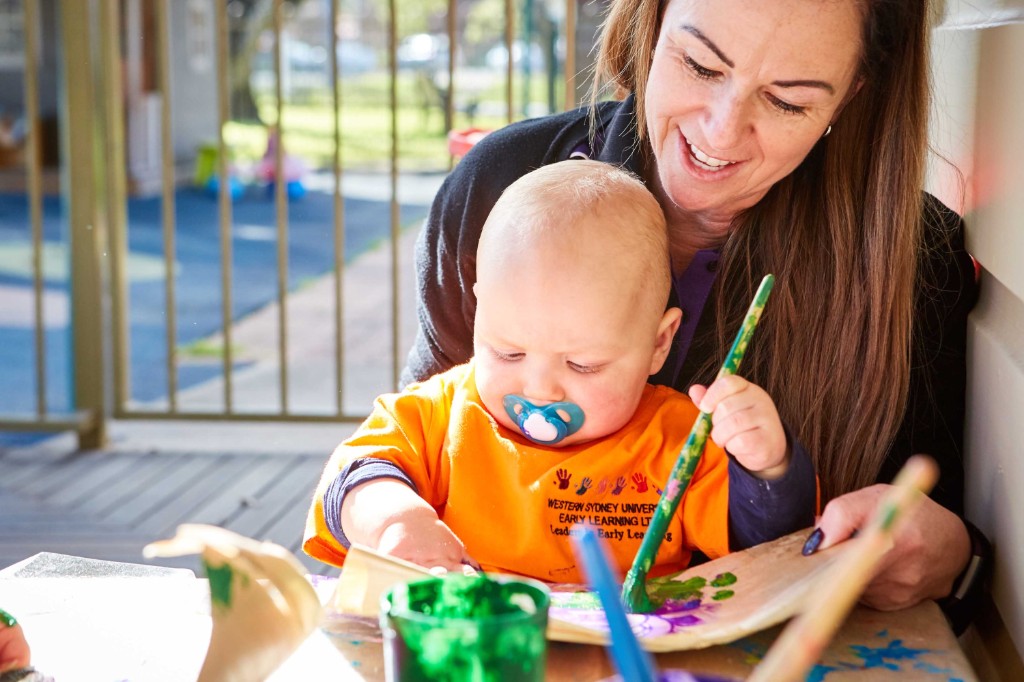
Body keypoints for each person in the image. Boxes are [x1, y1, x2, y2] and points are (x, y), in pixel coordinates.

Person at [401, 0, 988, 632]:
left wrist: (954, 556)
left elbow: (937, 526)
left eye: (787, 101)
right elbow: (423, 449)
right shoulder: (503, 186)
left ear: (851, 96)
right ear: (651, 24)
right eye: (701, 64)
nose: (721, 132)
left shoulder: (913, 258)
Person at [304, 161, 816, 581]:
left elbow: (764, 549)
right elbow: (349, 478)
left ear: (659, 343)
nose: (540, 389)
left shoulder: (678, 439)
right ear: (480, 313)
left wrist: (767, 467)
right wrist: (394, 520)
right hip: (462, 647)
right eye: (507, 353)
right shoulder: (439, 414)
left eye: (582, 364)